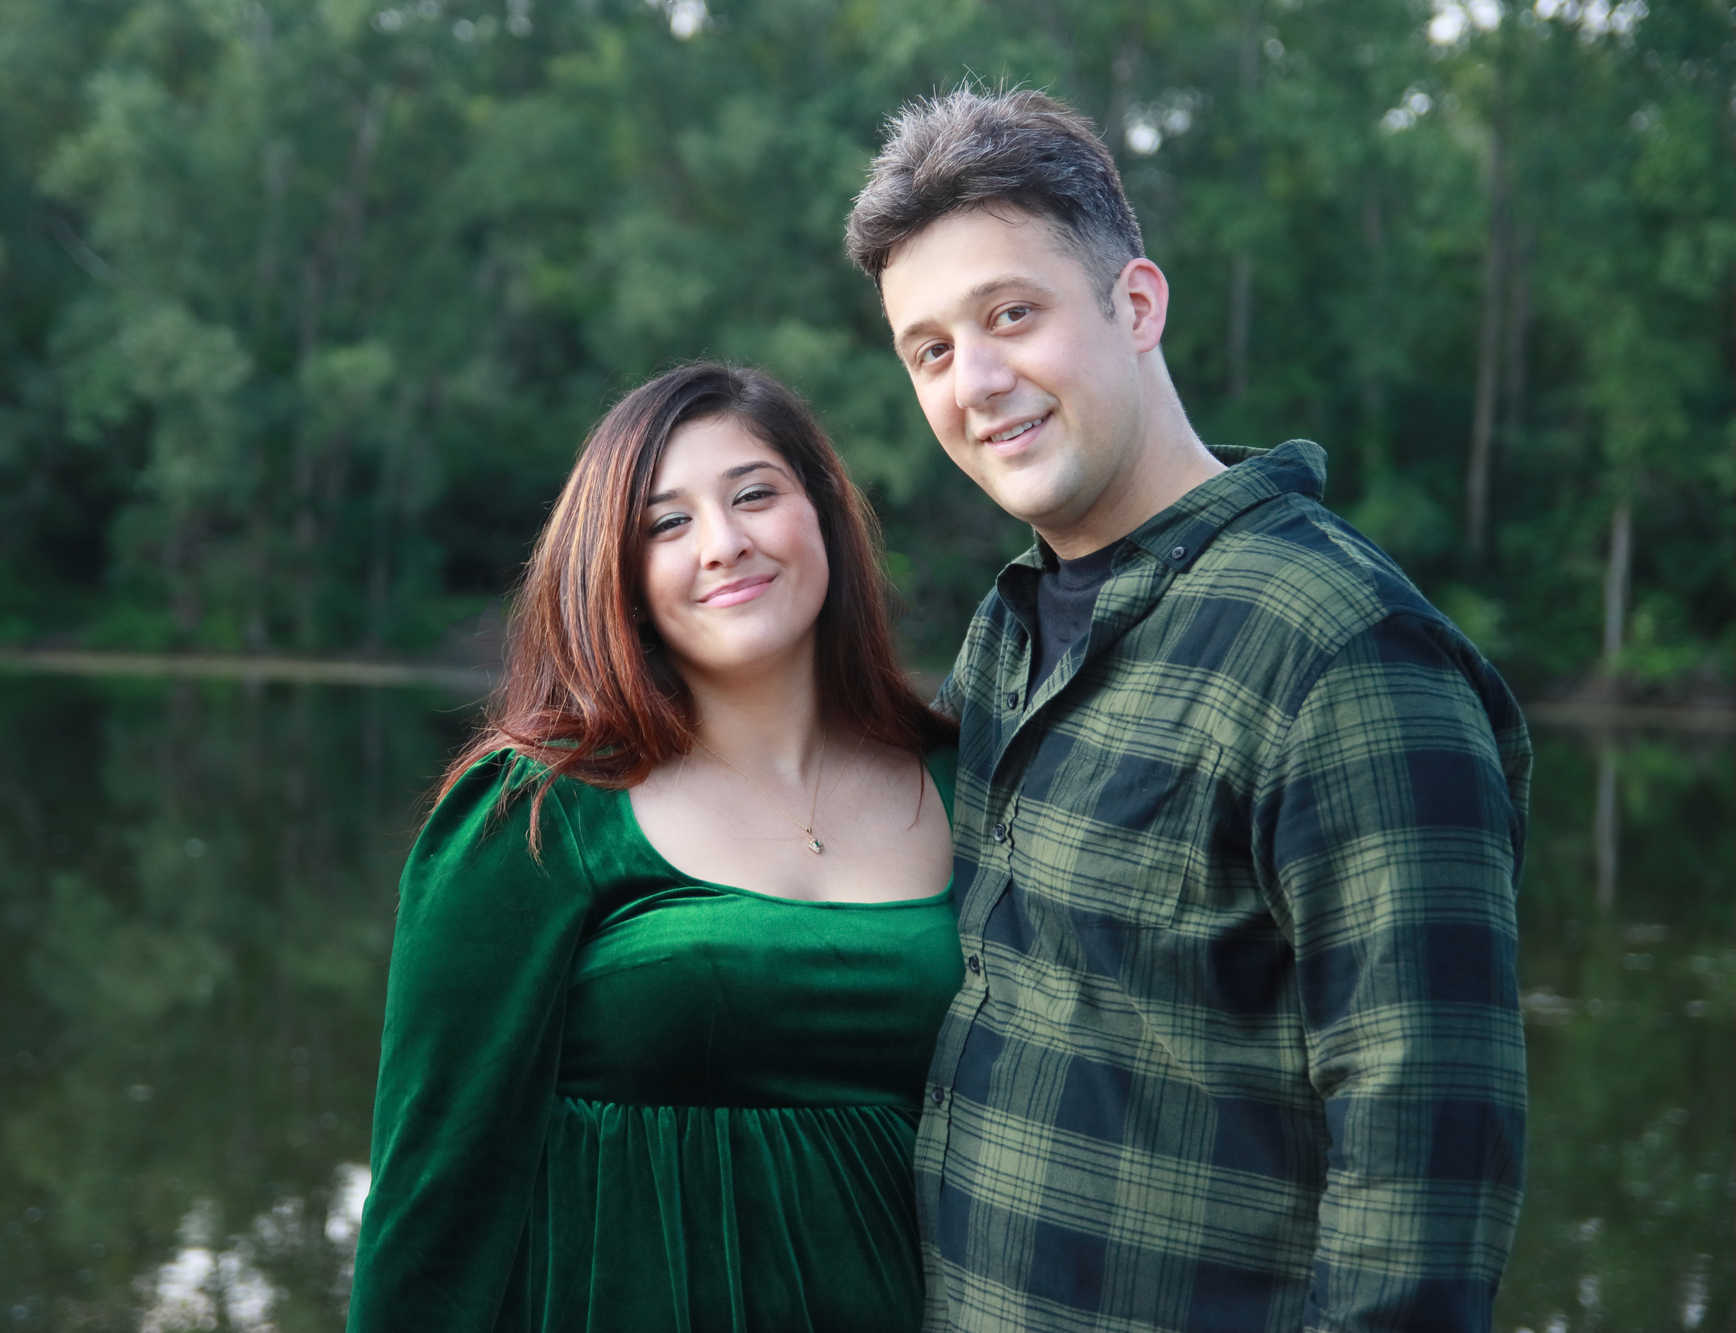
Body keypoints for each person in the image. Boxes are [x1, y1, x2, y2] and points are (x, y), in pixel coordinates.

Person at [845, 89, 1531, 1331]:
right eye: (929, 349)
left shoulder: (1341, 649)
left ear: (1136, 304)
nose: (976, 381)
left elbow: (1421, 1184)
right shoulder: (1006, 632)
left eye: (1011, 314)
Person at [347, 362, 964, 1332]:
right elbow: (435, 1192)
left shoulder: (969, 785)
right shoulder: (538, 809)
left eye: (754, 494)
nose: (723, 544)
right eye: (665, 524)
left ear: (825, 515)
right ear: (620, 576)